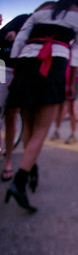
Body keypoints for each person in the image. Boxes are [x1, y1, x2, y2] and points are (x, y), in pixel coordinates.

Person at [4, 0, 78, 212]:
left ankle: (29, 167)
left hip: (24, 63)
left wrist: (15, 63)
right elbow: (77, 51)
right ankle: (19, 183)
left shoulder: (42, 10)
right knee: (42, 129)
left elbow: (21, 37)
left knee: (30, 127)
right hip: (53, 66)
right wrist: (70, 84)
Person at [0, 13, 31, 181]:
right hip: (3, 68)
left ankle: (8, 161)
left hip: (17, 71)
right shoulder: (18, 23)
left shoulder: (33, 22)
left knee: (11, 116)